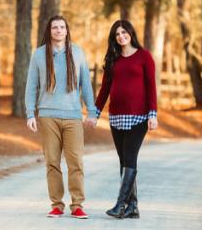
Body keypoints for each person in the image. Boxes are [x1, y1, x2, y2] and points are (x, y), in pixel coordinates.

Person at [24, 15, 97, 219]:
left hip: (73, 116)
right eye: (54, 27)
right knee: (52, 162)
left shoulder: (77, 52)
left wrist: (91, 111)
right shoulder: (39, 55)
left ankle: (77, 205)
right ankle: (57, 204)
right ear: (49, 31)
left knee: (76, 162)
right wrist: (31, 113)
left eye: (62, 27)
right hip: (48, 115)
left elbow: (86, 85)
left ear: (67, 30)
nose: (58, 30)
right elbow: (31, 86)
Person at [95, 20, 158, 219]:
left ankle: (120, 205)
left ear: (131, 33)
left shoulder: (144, 56)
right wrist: (95, 112)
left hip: (138, 118)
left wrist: (152, 114)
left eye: (124, 32)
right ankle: (133, 207)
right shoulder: (113, 58)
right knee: (124, 161)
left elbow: (151, 87)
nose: (121, 36)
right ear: (114, 38)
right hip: (116, 117)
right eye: (117, 34)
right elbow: (105, 88)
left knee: (130, 158)